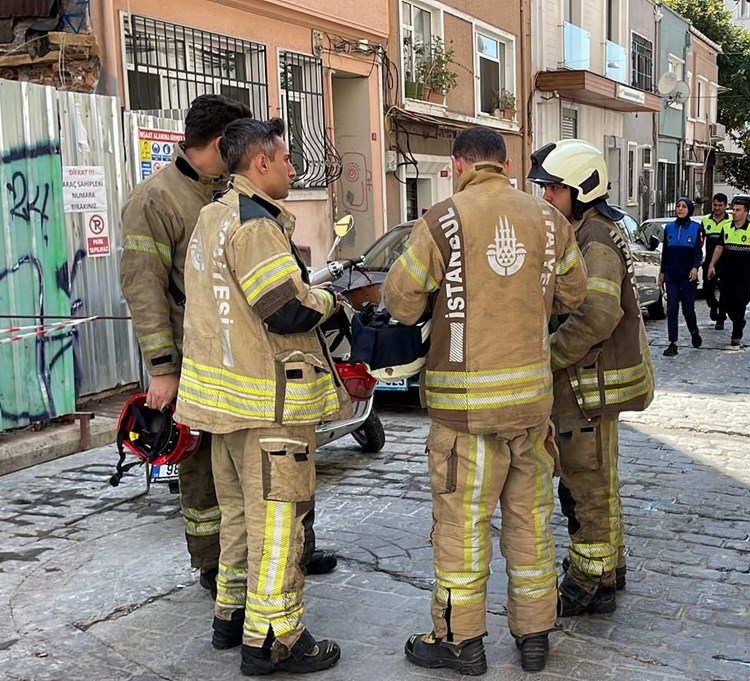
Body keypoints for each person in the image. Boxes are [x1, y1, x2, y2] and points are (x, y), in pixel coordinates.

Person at [383, 127, 587, 675]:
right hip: (530, 408)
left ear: (459, 164)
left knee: (462, 528)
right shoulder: (550, 220)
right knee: (530, 522)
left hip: (464, 414)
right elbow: (573, 294)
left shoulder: (442, 220)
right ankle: (536, 636)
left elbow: (401, 302)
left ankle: (460, 641)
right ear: (506, 162)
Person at [118, 95, 336, 604]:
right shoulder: (156, 200)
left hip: (251, 360)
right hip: (199, 362)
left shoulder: (230, 196)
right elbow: (144, 289)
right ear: (225, 143)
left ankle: (286, 554)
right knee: (211, 479)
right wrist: (163, 369)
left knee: (271, 475)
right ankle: (217, 567)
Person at [176, 117, 349, 675]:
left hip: (221, 404)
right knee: (279, 518)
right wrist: (331, 301)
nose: (295, 168)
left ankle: (230, 616)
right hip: (268, 406)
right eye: (287, 159)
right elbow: (285, 308)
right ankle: (275, 637)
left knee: (237, 517)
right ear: (260, 163)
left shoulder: (211, 216)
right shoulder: (254, 224)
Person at [527, 139, 655, 618]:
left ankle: (588, 583)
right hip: (595, 385)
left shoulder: (594, 239)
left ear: (580, 190)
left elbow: (598, 313)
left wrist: (551, 355)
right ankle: (610, 567)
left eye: (554, 190)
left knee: (586, 486)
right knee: (602, 479)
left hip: (587, 387)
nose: (546, 199)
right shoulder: (595, 227)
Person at [706, 197, 750, 347]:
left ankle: (736, 333)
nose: (734, 213)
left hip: (744, 274)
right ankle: (738, 321)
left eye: (737, 210)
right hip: (727, 273)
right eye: (733, 210)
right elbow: (719, 247)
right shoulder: (726, 228)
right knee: (727, 303)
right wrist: (712, 264)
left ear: (746, 213)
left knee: (740, 303)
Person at [659, 196, 704, 355]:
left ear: (689, 209)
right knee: (671, 308)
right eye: (678, 206)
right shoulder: (669, 228)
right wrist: (662, 272)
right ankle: (673, 343)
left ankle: (694, 332)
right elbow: (665, 252)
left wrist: (695, 268)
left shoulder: (696, 228)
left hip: (688, 275)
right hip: (672, 274)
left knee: (687, 309)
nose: (680, 209)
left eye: (684, 206)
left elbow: (698, 252)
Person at [701, 193, 732, 328]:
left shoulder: (731, 221)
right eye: (715, 205)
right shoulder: (706, 220)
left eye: (720, 205)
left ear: (726, 206)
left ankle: (721, 318)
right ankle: (714, 306)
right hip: (709, 261)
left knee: (725, 291)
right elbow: (701, 241)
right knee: (707, 289)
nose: (717, 208)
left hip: (725, 262)